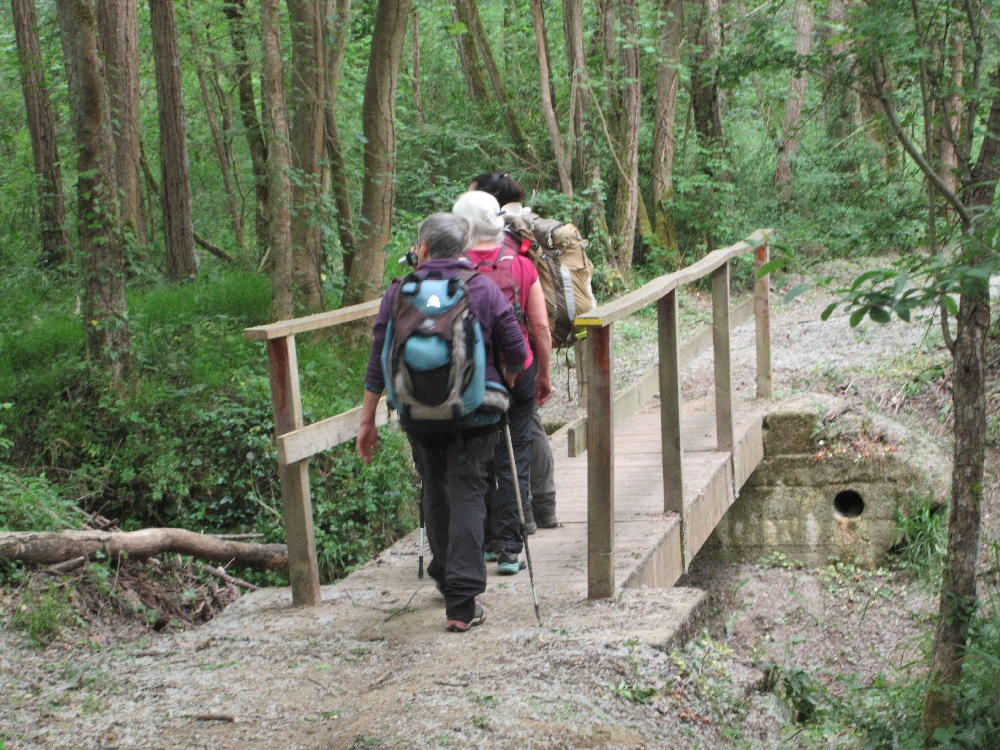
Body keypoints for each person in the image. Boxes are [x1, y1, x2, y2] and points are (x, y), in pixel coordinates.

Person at [357, 212, 527, 632]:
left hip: (418, 413)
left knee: (435, 487)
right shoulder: (482, 288)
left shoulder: (398, 292)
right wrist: (503, 384)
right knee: (469, 490)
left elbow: (379, 358)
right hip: (476, 413)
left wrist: (367, 421)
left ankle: (445, 575)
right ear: (464, 247)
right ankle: (462, 603)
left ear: (423, 247)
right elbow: (518, 352)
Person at [452, 190, 552, 576]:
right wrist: (542, 374)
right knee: (515, 457)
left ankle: (483, 540)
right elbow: (540, 326)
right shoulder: (521, 264)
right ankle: (509, 548)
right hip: (515, 371)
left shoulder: (451, 268)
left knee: (475, 458)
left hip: (465, 377)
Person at [468, 172, 559, 529]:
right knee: (523, 435)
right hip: (521, 356)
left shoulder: (471, 250)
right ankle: (535, 513)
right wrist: (542, 372)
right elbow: (541, 327)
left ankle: (507, 524)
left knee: (494, 445)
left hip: (480, 363)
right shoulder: (522, 241)